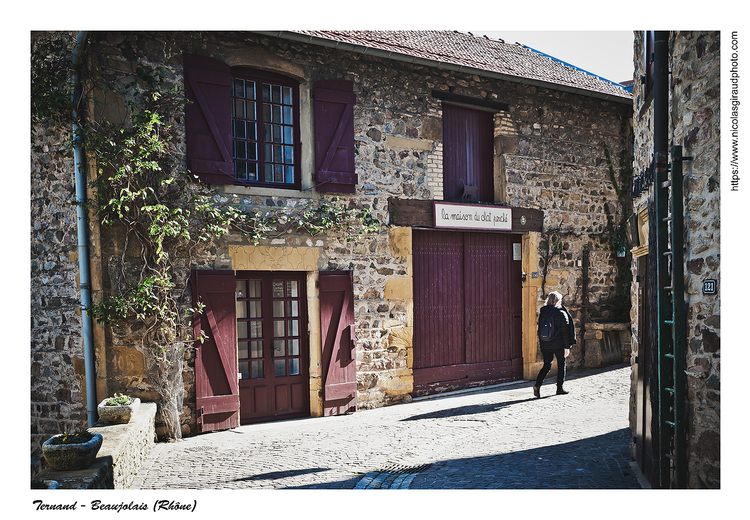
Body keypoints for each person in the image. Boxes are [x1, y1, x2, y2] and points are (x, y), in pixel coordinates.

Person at [533, 291, 574, 398]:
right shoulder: (561, 314)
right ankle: (559, 388)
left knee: (546, 366)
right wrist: (567, 346)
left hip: (545, 344)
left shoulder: (543, 312)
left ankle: (537, 385)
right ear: (557, 301)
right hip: (559, 345)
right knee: (561, 365)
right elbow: (565, 332)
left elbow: (540, 329)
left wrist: (542, 343)